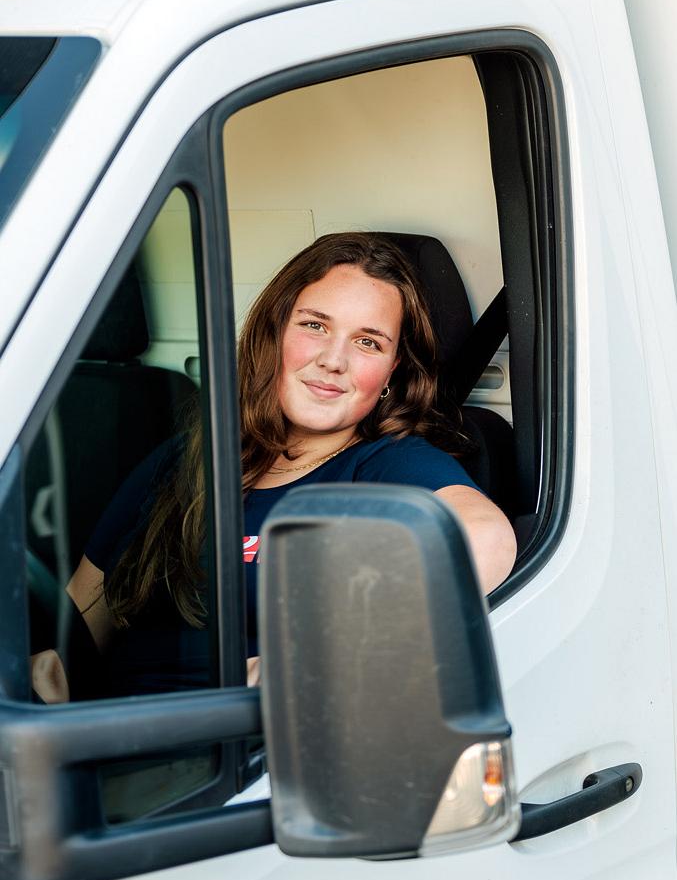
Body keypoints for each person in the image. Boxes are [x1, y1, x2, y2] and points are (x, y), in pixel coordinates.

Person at [34, 232, 517, 701]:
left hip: (229, 755)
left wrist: (316, 654)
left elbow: (484, 539)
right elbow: (81, 620)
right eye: (315, 326)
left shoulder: (389, 464)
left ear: (393, 371)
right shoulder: (189, 456)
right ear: (275, 331)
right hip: (98, 739)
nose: (334, 360)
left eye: (369, 343)